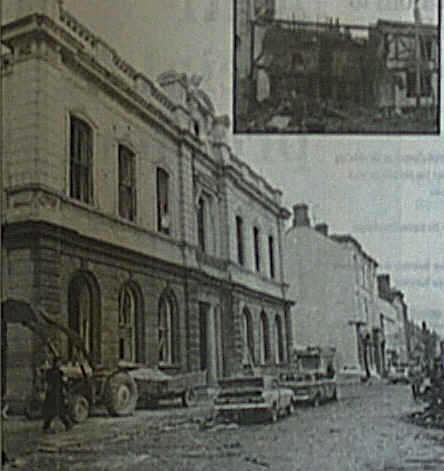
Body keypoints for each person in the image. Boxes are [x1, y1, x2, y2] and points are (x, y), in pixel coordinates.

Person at [42, 357, 73, 433]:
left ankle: (67, 424)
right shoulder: (53, 372)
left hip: (57, 394)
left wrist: (66, 388)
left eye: (60, 363)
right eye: (58, 362)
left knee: (59, 411)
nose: (59, 364)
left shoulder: (59, 372)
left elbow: (63, 383)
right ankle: (47, 427)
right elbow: (48, 382)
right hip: (53, 394)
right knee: (53, 412)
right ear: (55, 363)